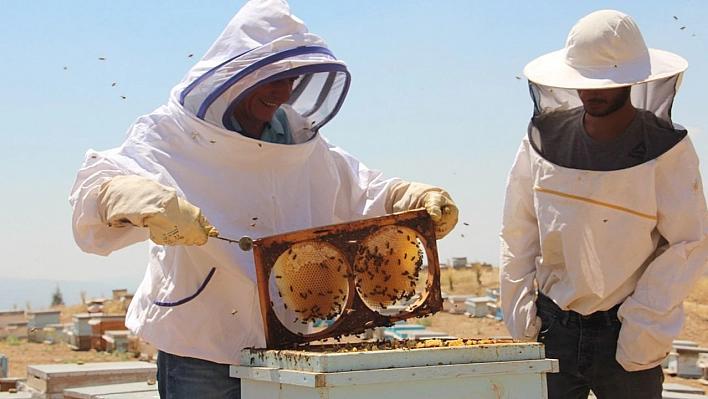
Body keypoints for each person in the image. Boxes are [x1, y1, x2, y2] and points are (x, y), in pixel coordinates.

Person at [68, 1, 458, 398]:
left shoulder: (299, 139)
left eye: (293, 78)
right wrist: (132, 197)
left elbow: (361, 190)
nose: (284, 91)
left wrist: (410, 197)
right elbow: (98, 187)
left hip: (295, 343)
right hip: (203, 347)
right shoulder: (174, 133)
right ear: (238, 74)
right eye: (274, 77)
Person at [499, 9, 708, 399]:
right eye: (583, 81)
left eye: (604, 82)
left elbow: (689, 242)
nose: (591, 92)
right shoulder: (540, 142)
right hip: (553, 328)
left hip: (625, 334)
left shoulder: (667, 151)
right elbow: (519, 229)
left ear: (631, 79)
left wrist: (642, 325)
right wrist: (520, 314)